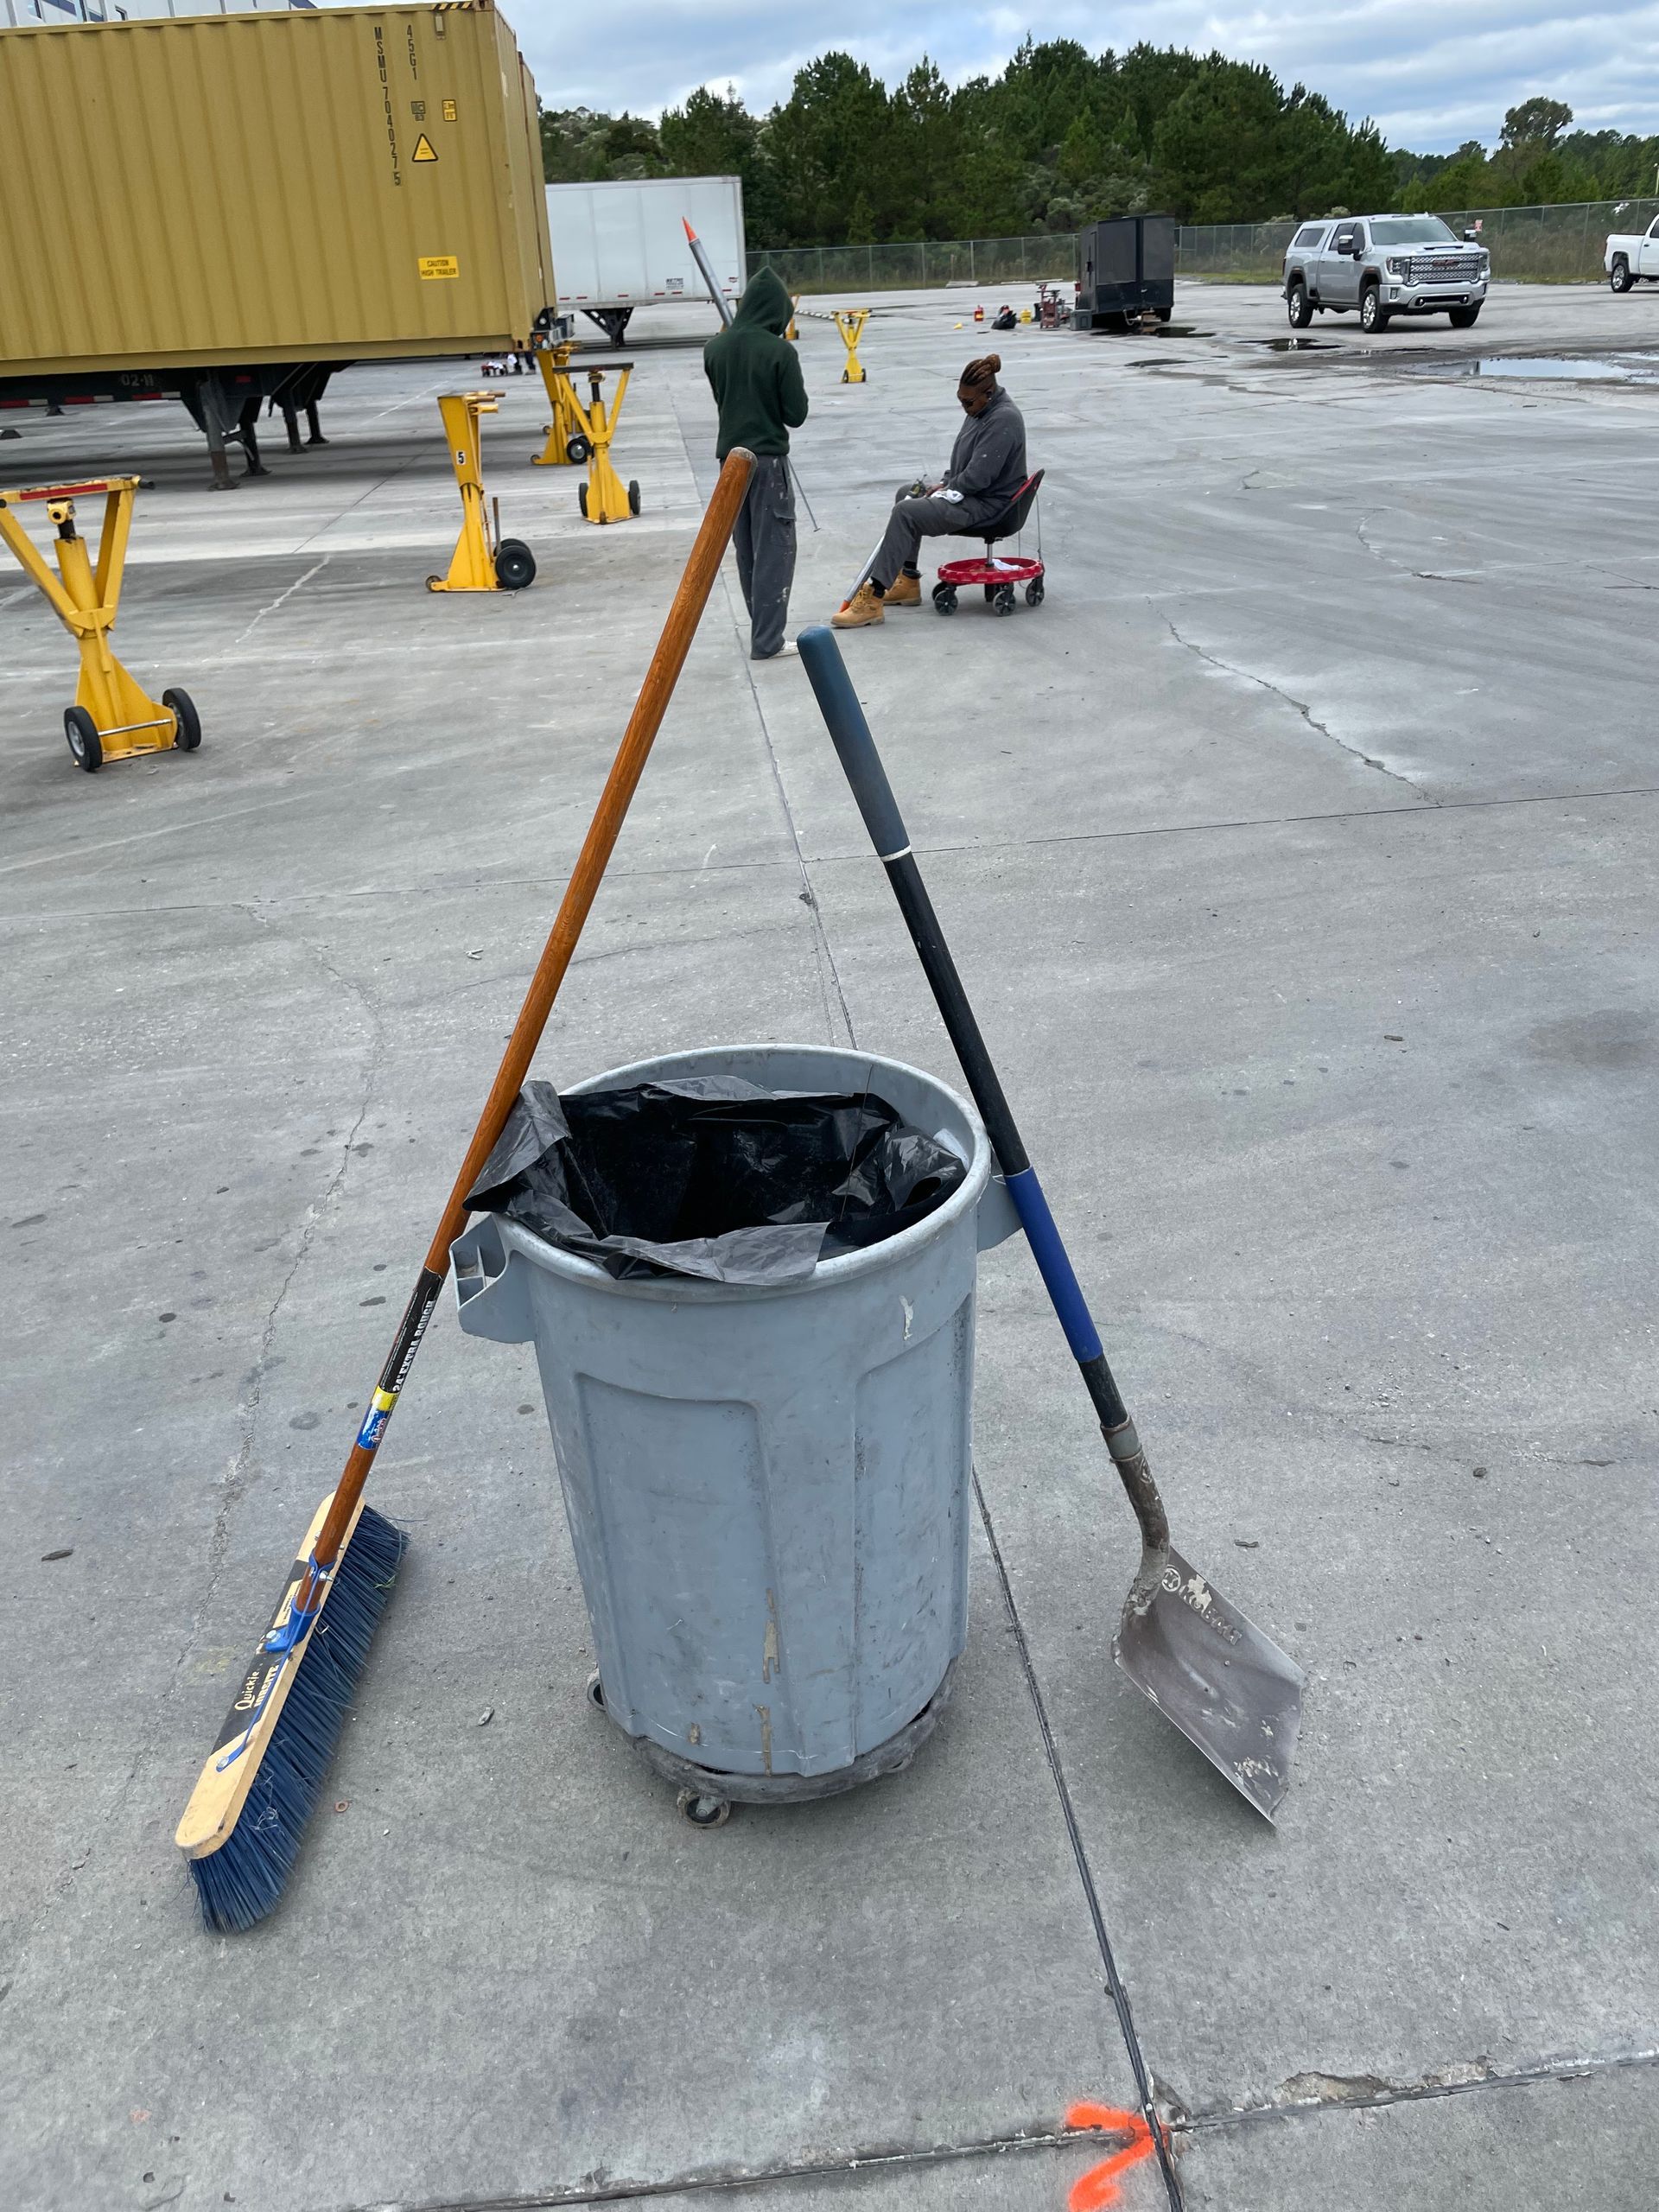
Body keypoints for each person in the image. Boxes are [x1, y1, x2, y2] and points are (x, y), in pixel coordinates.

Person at [832, 354, 1026, 630]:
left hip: (988, 505)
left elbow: (980, 476)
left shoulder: (1003, 419)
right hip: (970, 493)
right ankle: (908, 580)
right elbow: (964, 461)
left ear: (989, 393)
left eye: (968, 402)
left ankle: (873, 597)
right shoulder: (980, 409)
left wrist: (948, 488)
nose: (964, 408)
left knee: (906, 513)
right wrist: (945, 483)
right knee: (907, 494)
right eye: (960, 400)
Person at [703, 267, 809, 661]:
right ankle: (768, 640)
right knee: (775, 551)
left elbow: (725, 401)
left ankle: (761, 631)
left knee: (746, 550)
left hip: (729, 465)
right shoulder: (780, 351)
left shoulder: (714, 349)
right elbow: (795, 414)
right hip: (767, 464)